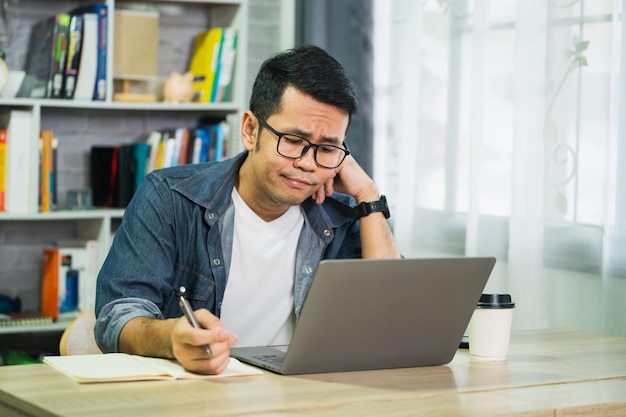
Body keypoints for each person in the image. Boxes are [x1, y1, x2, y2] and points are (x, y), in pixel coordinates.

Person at [94, 45, 401, 375]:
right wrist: (170, 338)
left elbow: (391, 320)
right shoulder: (169, 197)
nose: (308, 164)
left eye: (326, 148)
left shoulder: (342, 216)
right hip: (193, 397)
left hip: (304, 397)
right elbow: (117, 318)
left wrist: (368, 196)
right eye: (293, 140)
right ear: (251, 130)